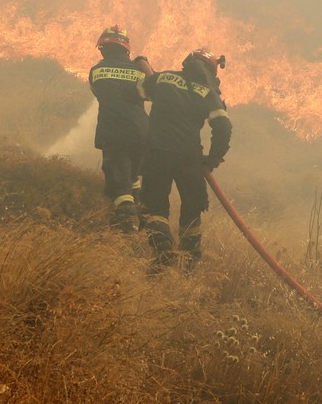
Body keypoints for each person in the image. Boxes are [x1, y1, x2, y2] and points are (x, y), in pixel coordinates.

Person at [137, 48, 232, 269]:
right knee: (192, 209)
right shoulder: (208, 93)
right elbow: (224, 127)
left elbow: (142, 91)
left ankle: (163, 252)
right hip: (190, 158)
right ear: (210, 71)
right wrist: (212, 160)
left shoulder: (162, 78)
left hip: (157, 153)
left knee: (153, 205)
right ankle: (189, 264)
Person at [89, 25, 154, 233]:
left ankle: (126, 230)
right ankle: (143, 218)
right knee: (133, 177)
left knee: (119, 185)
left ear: (102, 48)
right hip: (140, 133)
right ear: (126, 49)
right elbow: (151, 94)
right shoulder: (139, 72)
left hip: (113, 133)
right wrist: (144, 65)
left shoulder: (96, 71)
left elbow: (99, 92)